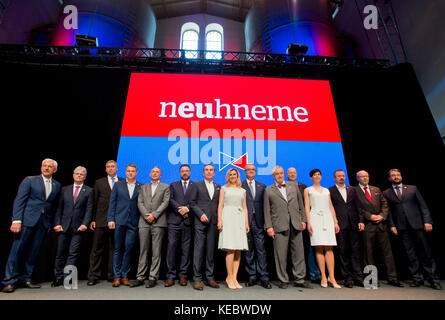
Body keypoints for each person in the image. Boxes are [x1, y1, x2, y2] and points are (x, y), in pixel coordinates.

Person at [2, 159, 61, 293]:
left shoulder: (57, 185)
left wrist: (50, 223)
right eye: (44, 166)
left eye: (50, 166)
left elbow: (52, 206)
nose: (46, 168)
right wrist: (16, 220)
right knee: (17, 251)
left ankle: (26, 279)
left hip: (43, 223)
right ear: (41, 167)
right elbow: (20, 200)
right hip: (26, 221)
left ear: (54, 170)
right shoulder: (29, 180)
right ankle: (9, 281)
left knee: (33, 251)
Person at [384, 169, 442, 290]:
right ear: (389, 178)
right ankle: (417, 278)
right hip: (402, 227)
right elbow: (388, 212)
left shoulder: (412, 188)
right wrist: (392, 225)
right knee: (410, 253)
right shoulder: (387, 193)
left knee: (425, 252)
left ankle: (433, 279)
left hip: (418, 225)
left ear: (401, 176)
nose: (396, 177)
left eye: (398, 175)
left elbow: (423, 206)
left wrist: (427, 221)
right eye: (393, 175)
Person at [264, 166, 311, 289]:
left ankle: (300, 279)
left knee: (299, 253)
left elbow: (301, 205)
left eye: (281, 173)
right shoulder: (269, 190)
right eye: (277, 174)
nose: (279, 175)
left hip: (296, 223)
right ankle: (283, 280)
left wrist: (303, 220)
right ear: (273, 176)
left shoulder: (293, 186)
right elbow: (266, 210)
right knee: (280, 254)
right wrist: (269, 227)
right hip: (279, 225)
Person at [355, 170, 403, 287]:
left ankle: (392, 277)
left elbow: (384, 204)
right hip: (368, 225)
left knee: (387, 253)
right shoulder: (354, 191)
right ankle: (372, 278)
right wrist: (370, 216)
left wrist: (382, 216)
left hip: (381, 225)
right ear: (357, 178)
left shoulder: (376, 189)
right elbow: (358, 208)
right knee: (369, 253)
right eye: (362, 177)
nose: (365, 178)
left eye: (367, 176)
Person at [52, 166, 94, 287]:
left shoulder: (89, 190)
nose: (79, 176)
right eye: (77, 174)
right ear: (73, 175)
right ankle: (58, 277)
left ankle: (67, 277)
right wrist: (57, 223)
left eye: (81, 174)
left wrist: (85, 224)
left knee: (73, 253)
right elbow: (59, 208)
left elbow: (89, 209)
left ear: (85, 177)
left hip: (78, 227)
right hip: (63, 226)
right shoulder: (64, 189)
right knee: (60, 252)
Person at [131, 166, 170, 288]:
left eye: (157, 172)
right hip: (144, 222)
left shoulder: (166, 187)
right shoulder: (143, 187)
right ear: (149, 174)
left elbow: (165, 202)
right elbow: (140, 202)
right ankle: (140, 277)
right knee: (143, 250)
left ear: (161, 175)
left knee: (156, 251)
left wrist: (154, 215)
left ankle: (153, 277)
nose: (155, 173)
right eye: (153, 171)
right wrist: (146, 215)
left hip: (158, 222)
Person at [87, 160, 124, 286]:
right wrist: (93, 219)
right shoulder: (99, 182)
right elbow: (94, 202)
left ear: (117, 168)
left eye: (113, 166)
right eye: (108, 167)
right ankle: (93, 276)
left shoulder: (123, 181)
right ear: (105, 169)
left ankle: (112, 275)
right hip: (101, 220)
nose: (110, 168)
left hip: (117, 220)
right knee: (96, 249)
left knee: (115, 249)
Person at [304, 169, 341, 289]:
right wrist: (308, 222)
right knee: (319, 248)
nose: (317, 176)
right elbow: (306, 206)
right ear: (311, 177)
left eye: (319, 174)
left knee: (329, 248)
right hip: (315, 218)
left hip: (328, 218)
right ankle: (323, 276)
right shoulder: (308, 190)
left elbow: (330, 206)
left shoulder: (326, 190)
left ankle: (332, 277)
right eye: (315, 175)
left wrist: (335, 221)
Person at [107, 164, 142, 287]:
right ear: (125, 172)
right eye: (128, 171)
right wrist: (110, 219)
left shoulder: (141, 186)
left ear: (136, 172)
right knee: (118, 248)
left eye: (133, 171)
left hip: (133, 222)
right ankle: (116, 277)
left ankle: (124, 275)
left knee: (129, 248)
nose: (130, 173)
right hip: (119, 220)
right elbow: (112, 203)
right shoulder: (118, 185)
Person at [328, 169, 364, 288]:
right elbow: (330, 208)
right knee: (343, 251)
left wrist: (361, 220)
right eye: (339, 176)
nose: (342, 178)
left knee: (356, 251)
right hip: (340, 225)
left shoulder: (352, 189)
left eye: (343, 176)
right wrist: (334, 223)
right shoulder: (330, 191)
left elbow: (358, 206)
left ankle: (358, 276)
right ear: (334, 178)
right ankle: (347, 277)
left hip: (353, 224)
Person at [165, 164, 197, 287]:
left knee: (186, 250)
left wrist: (187, 209)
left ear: (190, 172)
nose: (185, 173)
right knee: (171, 249)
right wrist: (181, 210)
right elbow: (170, 200)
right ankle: (170, 276)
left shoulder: (195, 186)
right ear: (180, 172)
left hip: (188, 222)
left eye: (187, 171)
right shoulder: (173, 185)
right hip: (174, 221)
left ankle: (183, 275)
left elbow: (195, 200)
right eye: (182, 171)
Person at [287, 167, 321, 284]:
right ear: (287, 174)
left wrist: (306, 220)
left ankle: (314, 274)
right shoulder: (282, 186)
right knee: (292, 250)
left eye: (294, 172)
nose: (292, 174)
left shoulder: (304, 187)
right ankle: (293, 276)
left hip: (304, 221)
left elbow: (307, 205)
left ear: (297, 174)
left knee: (309, 248)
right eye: (290, 173)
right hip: (288, 222)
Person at [217, 168, 249, 290]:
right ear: (228, 176)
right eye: (230, 174)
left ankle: (235, 278)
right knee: (230, 249)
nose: (232, 176)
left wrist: (246, 223)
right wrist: (220, 220)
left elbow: (245, 207)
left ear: (237, 176)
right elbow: (220, 205)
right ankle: (229, 277)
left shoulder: (243, 191)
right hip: (228, 218)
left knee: (238, 249)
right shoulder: (223, 189)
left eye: (234, 174)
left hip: (239, 219)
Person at [190, 164, 221, 290]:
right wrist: (200, 214)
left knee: (210, 251)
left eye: (211, 170)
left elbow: (220, 204)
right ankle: (197, 279)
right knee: (198, 251)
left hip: (213, 223)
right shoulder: (196, 185)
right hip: (200, 222)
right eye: (206, 170)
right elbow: (192, 203)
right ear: (203, 172)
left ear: (214, 173)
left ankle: (210, 277)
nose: (209, 172)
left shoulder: (218, 187)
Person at [241, 164, 272, 289]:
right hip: (245, 222)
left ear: (255, 171)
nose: (251, 171)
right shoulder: (240, 185)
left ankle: (264, 277)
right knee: (248, 251)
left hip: (259, 221)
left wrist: (266, 222)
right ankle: (252, 276)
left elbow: (265, 206)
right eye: (248, 170)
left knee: (261, 250)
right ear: (245, 172)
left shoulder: (262, 186)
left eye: (253, 170)